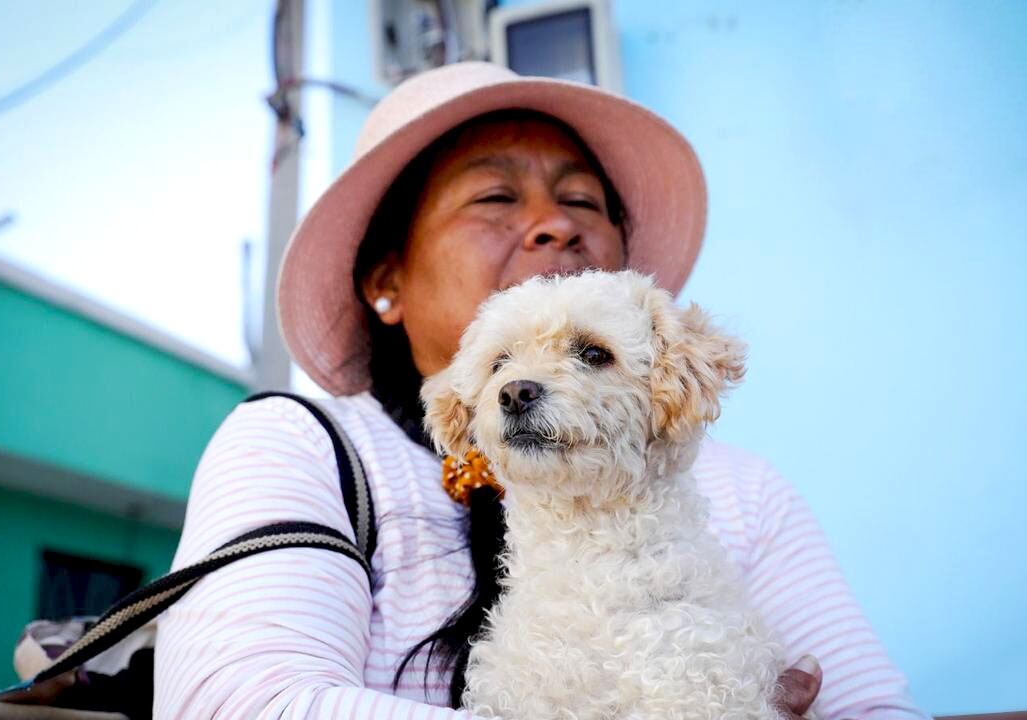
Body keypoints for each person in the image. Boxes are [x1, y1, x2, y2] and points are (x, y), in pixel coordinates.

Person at [154, 62, 928, 720]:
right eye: (494, 197)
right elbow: (242, 705)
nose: (553, 226)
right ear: (387, 281)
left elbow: (867, 709)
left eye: (583, 202)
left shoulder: (744, 492)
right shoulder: (303, 448)